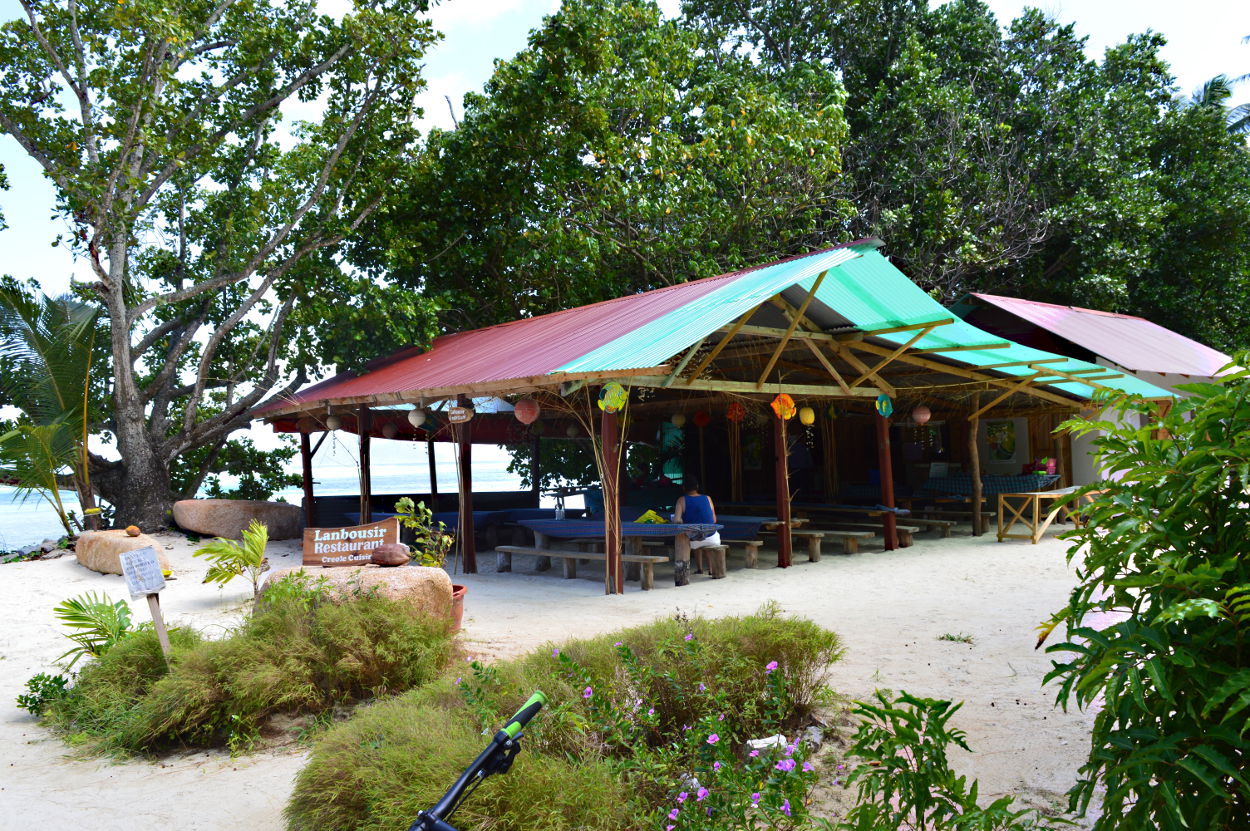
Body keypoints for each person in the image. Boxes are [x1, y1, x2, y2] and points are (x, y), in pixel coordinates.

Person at [673, 479, 720, 582]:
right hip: (712, 538)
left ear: (684, 488)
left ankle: (699, 569)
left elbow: (677, 520)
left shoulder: (681, 500)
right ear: (697, 486)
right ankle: (711, 569)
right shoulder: (708, 498)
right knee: (704, 537)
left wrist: (681, 519)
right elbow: (714, 520)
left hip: (694, 540)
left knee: (694, 538)